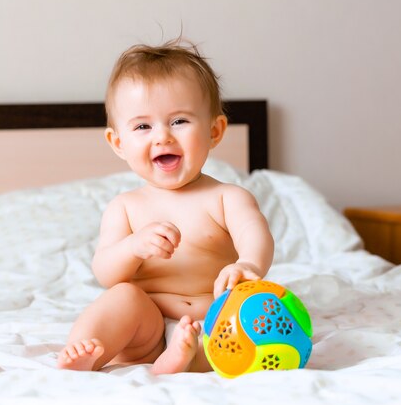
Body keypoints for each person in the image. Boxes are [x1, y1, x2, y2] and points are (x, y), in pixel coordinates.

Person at [57, 38, 274, 374]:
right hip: (146, 326)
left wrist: (248, 265)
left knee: (255, 315)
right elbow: (106, 272)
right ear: (118, 142)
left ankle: (182, 359)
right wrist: (133, 247)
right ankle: (87, 351)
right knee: (122, 298)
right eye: (143, 126)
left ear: (215, 131)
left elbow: (254, 233)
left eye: (179, 121)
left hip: (212, 321)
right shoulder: (125, 207)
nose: (162, 137)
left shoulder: (227, 197)